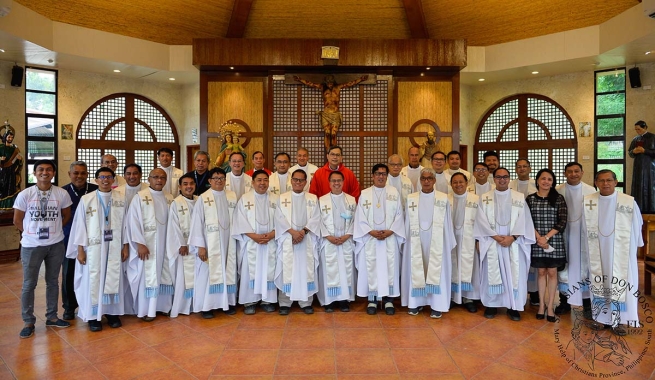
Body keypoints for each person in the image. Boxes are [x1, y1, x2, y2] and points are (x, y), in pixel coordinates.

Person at [13, 160, 73, 338]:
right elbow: (17, 220)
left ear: (53, 173)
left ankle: (52, 317)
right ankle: (28, 321)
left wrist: (54, 232)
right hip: (32, 245)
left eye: (48, 169)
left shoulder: (61, 193)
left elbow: (66, 215)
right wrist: (33, 234)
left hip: (55, 244)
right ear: (35, 172)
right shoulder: (25, 194)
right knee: (29, 284)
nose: (45, 172)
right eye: (41, 169)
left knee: (53, 282)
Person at [66, 167, 128, 331]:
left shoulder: (121, 199)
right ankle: (94, 316)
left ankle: (112, 313)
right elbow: (79, 226)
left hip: (114, 245)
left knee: (113, 277)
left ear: (114, 179)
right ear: (96, 180)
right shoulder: (87, 199)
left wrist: (126, 246)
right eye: (102, 177)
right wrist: (80, 249)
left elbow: (126, 226)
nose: (105, 180)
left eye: (109, 177)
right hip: (93, 248)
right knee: (94, 279)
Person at [582, 170, 643, 336]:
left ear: (616, 182)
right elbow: (583, 228)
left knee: (621, 284)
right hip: (598, 250)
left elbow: (637, 225)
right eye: (601, 180)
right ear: (596, 182)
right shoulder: (589, 202)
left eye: (609, 180)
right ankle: (601, 319)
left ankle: (620, 321)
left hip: (621, 252)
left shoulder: (628, 202)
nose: (605, 183)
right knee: (599, 281)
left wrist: (636, 247)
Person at [474, 167, 535, 321]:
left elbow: (525, 220)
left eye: (505, 177)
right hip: (492, 241)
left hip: (514, 243)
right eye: (499, 177)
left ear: (509, 178)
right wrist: (496, 237)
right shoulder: (485, 197)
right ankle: (492, 305)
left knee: (514, 274)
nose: (502, 179)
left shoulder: (519, 197)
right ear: (493, 179)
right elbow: (480, 220)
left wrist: (512, 238)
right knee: (492, 274)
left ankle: (513, 307)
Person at [401, 168, 456, 318]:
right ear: (420, 180)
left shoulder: (443, 198)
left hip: (437, 240)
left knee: (437, 270)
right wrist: (405, 241)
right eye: (423, 178)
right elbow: (406, 222)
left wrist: (447, 241)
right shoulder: (411, 198)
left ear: (434, 180)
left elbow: (447, 223)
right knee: (416, 268)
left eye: (429, 179)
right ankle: (416, 303)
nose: (426, 181)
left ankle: (437, 304)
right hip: (415, 239)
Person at [354, 164, 405, 315]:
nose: (381, 176)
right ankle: (372, 300)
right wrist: (370, 231)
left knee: (390, 268)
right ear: (372, 176)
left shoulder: (394, 192)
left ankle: (388, 301)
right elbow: (360, 216)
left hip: (389, 238)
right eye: (378, 174)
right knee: (371, 268)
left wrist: (391, 231)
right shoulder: (365, 194)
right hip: (370, 239)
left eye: (383, 174)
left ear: (387, 176)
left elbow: (399, 214)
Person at [188, 168, 238, 318]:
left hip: (229, 241)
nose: (219, 181)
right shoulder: (203, 198)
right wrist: (201, 246)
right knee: (207, 274)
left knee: (228, 271)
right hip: (210, 243)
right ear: (209, 181)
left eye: (222, 178)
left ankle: (226, 304)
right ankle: (207, 306)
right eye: (215, 178)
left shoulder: (232, 196)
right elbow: (197, 223)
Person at [126, 168, 174, 321]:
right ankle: (147, 309)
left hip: (166, 243)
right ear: (149, 178)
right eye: (155, 177)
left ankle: (163, 306)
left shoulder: (169, 197)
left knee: (165, 274)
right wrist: (140, 243)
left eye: (162, 178)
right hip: (148, 244)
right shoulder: (140, 197)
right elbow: (132, 222)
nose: (159, 180)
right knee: (148, 276)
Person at [274, 169, 321, 315]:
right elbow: (279, 218)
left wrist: (303, 232)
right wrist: (293, 232)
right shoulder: (282, 198)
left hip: (306, 239)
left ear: (306, 182)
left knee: (306, 269)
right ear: (291, 181)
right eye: (295, 179)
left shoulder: (313, 198)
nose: (298, 182)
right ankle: (285, 302)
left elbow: (316, 218)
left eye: (301, 180)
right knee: (287, 268)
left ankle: (305, 302)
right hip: (288, 239)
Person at [232, 170, 278, 314]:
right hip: (251, 242)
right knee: (250, 270)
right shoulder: (244, 199)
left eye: (265, 180)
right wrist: (254, 236)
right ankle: (250, 301)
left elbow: (283, 221)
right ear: (252, 182)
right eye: (259, 180)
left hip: (271, 241)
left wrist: (272, 234)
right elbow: (239, 221)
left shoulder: (276, 199)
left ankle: (268, 300)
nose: (262, 183)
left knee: (269, 269)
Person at [526, 169, 568, 322]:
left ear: (553, 182)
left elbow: (562, 221)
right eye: (543, 179)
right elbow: (527, 221)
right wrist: (539, 238)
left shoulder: (558, 199)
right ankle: (541, 306)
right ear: (537, 181)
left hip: (554, 241)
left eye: (549, 179)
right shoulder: (530, 199)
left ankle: (550, 306)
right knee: (541, 273)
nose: (546, 182)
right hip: (537, 241)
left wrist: (546, 237)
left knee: (552, 273)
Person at [555, 162, 596, 316]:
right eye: (570, 171)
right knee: (564, 267)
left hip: (583, 235)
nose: (573, 174)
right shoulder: (558, 190)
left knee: (584, 267)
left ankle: (587, 304)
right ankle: (564, 302)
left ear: (582, 172)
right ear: (565, 173)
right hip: (564, 234)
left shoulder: (590, 191)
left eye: (576, 171)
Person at [61, 161, 98, 321]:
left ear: (87, 174)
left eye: (83, 173)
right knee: (69, 273)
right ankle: (69, 307)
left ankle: (92, 304)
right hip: (70, 239)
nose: (79, 176)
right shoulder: (63, 192)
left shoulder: (96, 190)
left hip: (94, 240)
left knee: (93, 273)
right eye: (76, 173)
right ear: (70, 174)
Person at [293, 74, 368, 152]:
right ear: (326, 83)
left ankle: (334, 151)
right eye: (328, 83)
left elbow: (350, 83)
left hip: (335, 114)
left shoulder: (338, 87)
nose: (330, 84)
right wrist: (300, 79)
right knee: (327, 133)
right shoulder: (323, 88)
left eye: (331, 83)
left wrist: (360, 79)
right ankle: (328, 151)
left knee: (333, 133)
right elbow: (311, 84)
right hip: (326, 114)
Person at [317, 171, 357, 312]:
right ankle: (329, 301)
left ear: (343, 181)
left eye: (339, 180)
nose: (336, 183)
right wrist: (328, 236)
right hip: (328, 241)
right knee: (329, 270)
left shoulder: (351, 200)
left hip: (345, 240)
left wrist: (347, 235)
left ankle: (344, 300)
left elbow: (355, 220)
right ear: (329, 183)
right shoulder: (322, 201)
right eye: (333, 181)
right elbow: (318, 221)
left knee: (345, 270)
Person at [165, 173, 197, 318]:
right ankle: (184, 306)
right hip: (184, 248)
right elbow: (173, 226)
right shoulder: (176, 203)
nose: (189, 187)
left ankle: (197, 304)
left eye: (191, 184)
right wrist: (182, 244)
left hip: (197, 246)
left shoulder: (199, 200)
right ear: (179, 187)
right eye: (185, 184)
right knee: (184, 278)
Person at [449, 172, 481, 313]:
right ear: (451, 184)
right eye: (455, 182)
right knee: (452, 266)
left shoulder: (476, 199)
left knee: (469, 267)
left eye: (461, 182)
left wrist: (479, 239)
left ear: (466, 183)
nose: (458, 185)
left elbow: (482, 222)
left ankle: (468, 297)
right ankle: (452, 297)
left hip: (470, 238)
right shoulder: (446, 199)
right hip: (451, 238)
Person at [509, 158, 539, 306]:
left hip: (535, 227)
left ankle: (533, 292)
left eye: (525, 166)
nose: (522, 169)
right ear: (515, 169)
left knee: (533, 260)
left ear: (530, 168)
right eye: (519, 167)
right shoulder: (509, 185)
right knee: (518, 261)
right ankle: (517, 290)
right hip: (514, 228)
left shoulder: (536, 184)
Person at [628, 120, 655, 213]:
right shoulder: (635, 139)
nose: (637, 131)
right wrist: (633, 152)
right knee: (638, 186)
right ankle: (638, 209)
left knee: (649, 186)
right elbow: (630, 153)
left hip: (650, 168)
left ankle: (650, 210)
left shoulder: (653, 137)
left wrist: (645, 151)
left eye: (639, 129)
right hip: (638, 167)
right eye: (636, 130)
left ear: (645, 127)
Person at [0, 129, 23, 209]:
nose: (10, 139)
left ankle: (10, 204)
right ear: (5, 137)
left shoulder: (14, 149)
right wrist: (1, 159)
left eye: (12, 137)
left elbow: (18, 162)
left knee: (11, 187)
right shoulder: (1, 148)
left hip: (11, 171)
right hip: (2, 171)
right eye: (9, 137)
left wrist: (20, 160)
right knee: (3, 186)